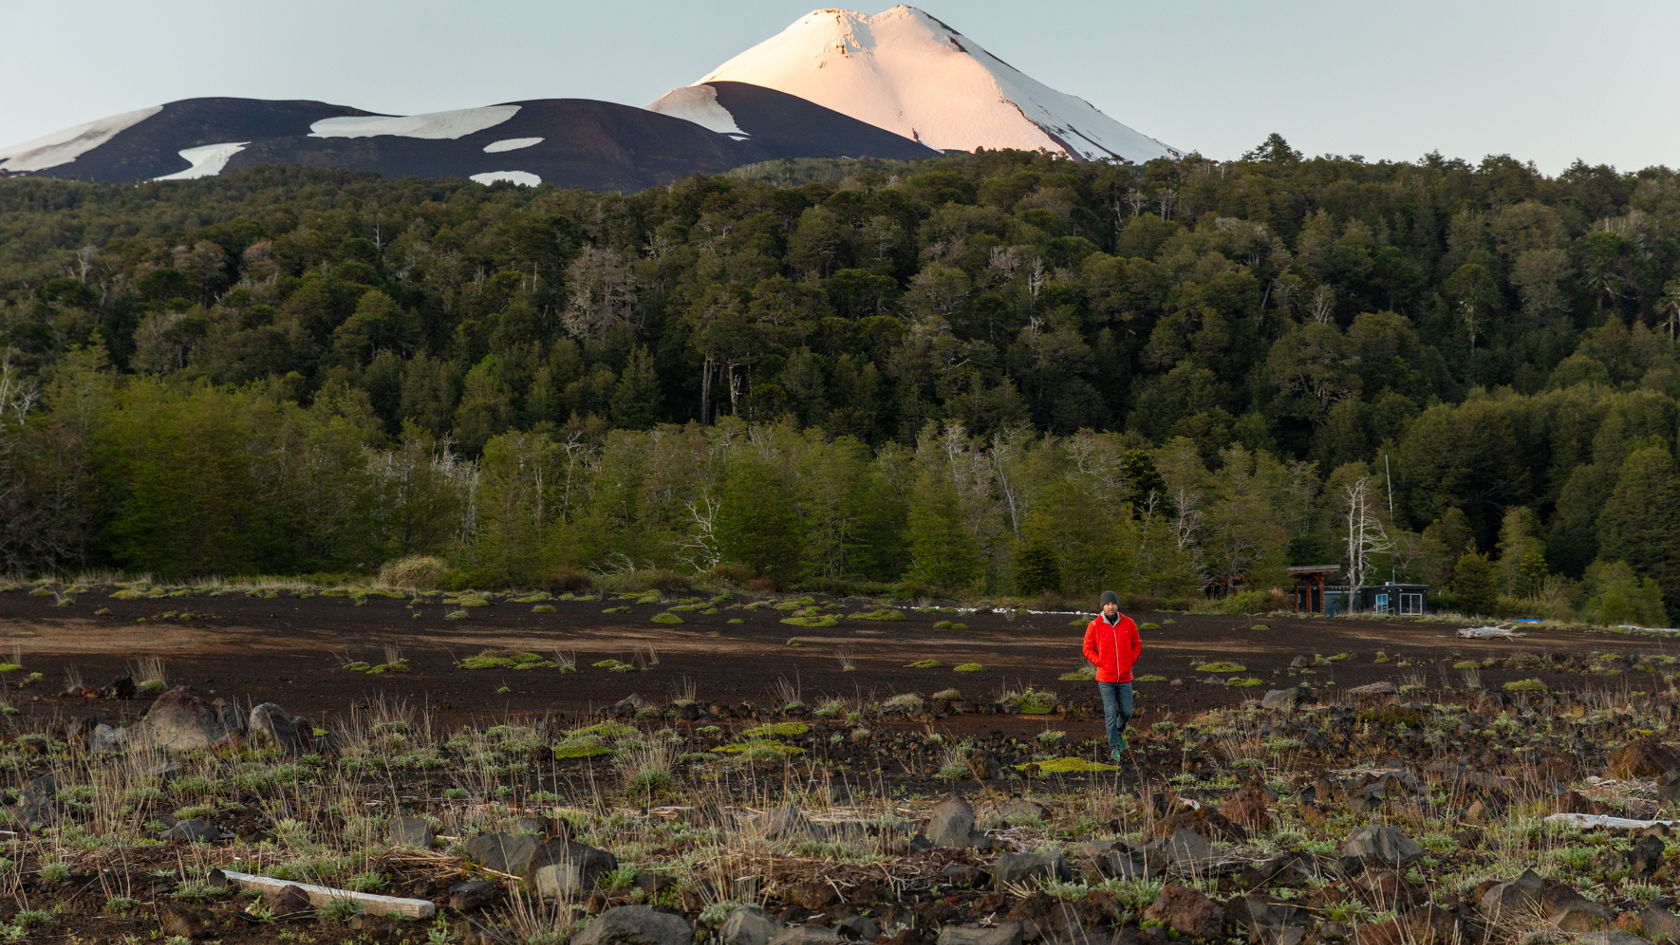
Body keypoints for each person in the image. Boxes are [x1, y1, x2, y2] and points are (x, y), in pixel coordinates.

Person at [1082, 589, 1142, 760]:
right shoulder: (1094, 625)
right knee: (1110, 713)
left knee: (1126, 712)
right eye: (1107, 604)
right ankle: (1114, 747)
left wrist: (1130, 661)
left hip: (1124, 677)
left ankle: (1118, 733)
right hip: (1105, 678)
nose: (1110, 606)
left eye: (1113, 603)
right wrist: (1100, 662)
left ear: (1117, 605)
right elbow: (1087, 649)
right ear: (1102, 606)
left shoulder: (1128, 623)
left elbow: (1137, 644)